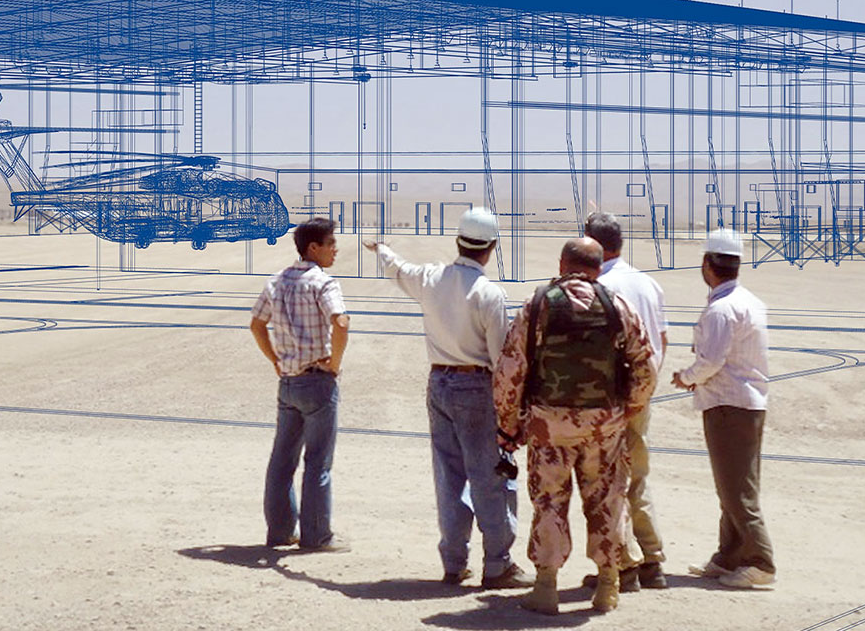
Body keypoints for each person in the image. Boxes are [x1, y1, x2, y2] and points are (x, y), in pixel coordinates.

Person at [363, 208, 533, 589]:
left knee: (450, 476)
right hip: (476, 389)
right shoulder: (489, 293)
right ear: (490, 249)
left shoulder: (432, 278)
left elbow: (399, 270)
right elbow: (499, 358)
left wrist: (381, 250)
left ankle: (454, 563)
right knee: (489, 476)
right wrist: (512, 411)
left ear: (458, 241)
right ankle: (497, 564)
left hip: (438, 385)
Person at [494, 238, 656, 615]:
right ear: (598, 269)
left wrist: (508, 423)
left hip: (549, 427)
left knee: (550, 501)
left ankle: (546, 587)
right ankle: (607, 586)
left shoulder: (537, 305)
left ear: (562, 264)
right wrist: (626, 411)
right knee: (608, 501)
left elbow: (510, 370)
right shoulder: (618, 305)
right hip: (604, 427)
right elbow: (646, 368)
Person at [673, 228, 775, 588]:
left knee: (736, 490)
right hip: (743, 402)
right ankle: (729, 555)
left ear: (707, 264)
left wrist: (686, 377)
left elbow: (711, 362)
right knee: (732, 484)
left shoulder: (721, 309)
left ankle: (761, 561)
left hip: (729, 404)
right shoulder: (748, 301)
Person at [249, 217, 350, 553]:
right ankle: (317, 536)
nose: (335, 249)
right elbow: (341, 322)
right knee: (318, 462)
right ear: (313, 248)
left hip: (288, 383)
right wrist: (334, 364)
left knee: (282, 461)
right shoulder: (323, 283)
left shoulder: (276, 281)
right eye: (331, 243)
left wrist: (275, 360)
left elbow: (256, 325)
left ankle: (280, 532)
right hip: (318, 382)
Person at [581, 212, 669, 591]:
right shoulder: (648, 283)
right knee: (638, 475)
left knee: (609, 481)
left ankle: (623, 565)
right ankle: (652, 559)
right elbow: (661, 341)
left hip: (612, 397)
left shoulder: (602, 286)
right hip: (643, 392)